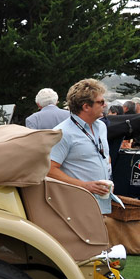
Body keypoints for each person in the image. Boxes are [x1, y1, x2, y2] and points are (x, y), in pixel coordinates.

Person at [48, 79, 113, 215]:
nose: (105, 105)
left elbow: (104, 155)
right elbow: (49, 169)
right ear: (86, 107)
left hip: (102, 201)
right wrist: (85, 185)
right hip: (77, 205)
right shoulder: (63, 132)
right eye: (100, 102)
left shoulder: (101, 126)